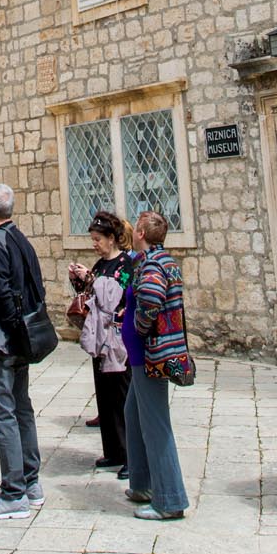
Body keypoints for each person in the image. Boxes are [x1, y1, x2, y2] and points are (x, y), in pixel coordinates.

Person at [0, 182, 45, 520]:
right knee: (22, 409)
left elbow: (1, 296)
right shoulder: (20, 239)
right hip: (20, 340)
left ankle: (14, 493)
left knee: (3, 414)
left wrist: (12, 329)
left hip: (0, 343)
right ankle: (31, 482)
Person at [123, 211, 192, 521]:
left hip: (149, 354)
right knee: (133, 414)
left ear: (140, 233)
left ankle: (169, 499)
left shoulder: (151, 264)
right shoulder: (161, 260)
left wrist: (138, 327)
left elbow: (150, 300)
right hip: (145, 353)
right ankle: (142, 484)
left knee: (155, 424)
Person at [68, 211, 135, 474]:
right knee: (105, 397)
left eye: (98, 239)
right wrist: (79, 280)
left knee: (122, 397)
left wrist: (92, 279)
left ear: (111, 238)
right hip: (100, 339)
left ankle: (131, 457)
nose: (95, 244)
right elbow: (91, 296)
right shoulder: (99, 265)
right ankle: (114, 451)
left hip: (117, 340)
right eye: (93, 239)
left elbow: (113, 297)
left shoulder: (125, 264)